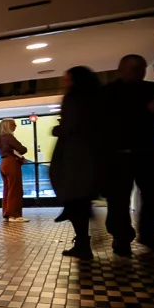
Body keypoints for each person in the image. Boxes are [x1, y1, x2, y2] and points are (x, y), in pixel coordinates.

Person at [103, 54, 154, 255]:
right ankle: (123, 236)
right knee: (119, 198)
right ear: (121, 70)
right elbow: (110, 119)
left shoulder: (151, 88)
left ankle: (146, 232)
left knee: (152, 193)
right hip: (121, 153)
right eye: (135, 69)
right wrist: (147, 110)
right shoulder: (110, 92)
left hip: (144, 151)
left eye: (141, 69)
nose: (139, 73)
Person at [51, 66, 103, 259]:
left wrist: (57, 130)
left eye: (67, 79)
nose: (64, 83)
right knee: (82, 197)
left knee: (74, 194)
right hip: (92, 154)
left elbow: (70, 126)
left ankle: (82, 240)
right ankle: (83, 237)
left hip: (74, 156)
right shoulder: (98, 99)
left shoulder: (73, 99)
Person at [0, 118, 30, 222]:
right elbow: (22, 149)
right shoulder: (9, 137)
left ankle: (6, 214)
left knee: (7, 190)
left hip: (4, 163)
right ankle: (14, 215)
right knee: (15, 190)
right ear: (8, 126)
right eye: (13, 124)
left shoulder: (0, 139)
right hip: (12, 163)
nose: (15, 126)